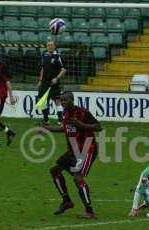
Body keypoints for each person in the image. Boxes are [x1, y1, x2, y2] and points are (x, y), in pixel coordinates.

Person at [43, 91, 102, 219]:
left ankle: (90, 212)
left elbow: (98, 127)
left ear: (71, 100)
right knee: (55, 170)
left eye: (65, 100)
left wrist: (82, 125)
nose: (62, 102)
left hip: (87, 149)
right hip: (73, 150)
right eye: (61, 100)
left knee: (77, 178)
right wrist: (48, 129)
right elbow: (64, 128)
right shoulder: (65, 113)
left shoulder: (83, 112)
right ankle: (67, 201)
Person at [38, 40, 66, 125]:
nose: (49, 46)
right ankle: (46, 120)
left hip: (54, 82)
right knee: (42, 101)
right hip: (44, 82)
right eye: (48, 45)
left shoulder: (58, 56)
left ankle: (60, 121)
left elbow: (64, 70)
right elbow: (42, 69)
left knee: (57, 101)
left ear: (54, 46)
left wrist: (57, 78)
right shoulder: (44, 55)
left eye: (51, 45)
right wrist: (40, 80)